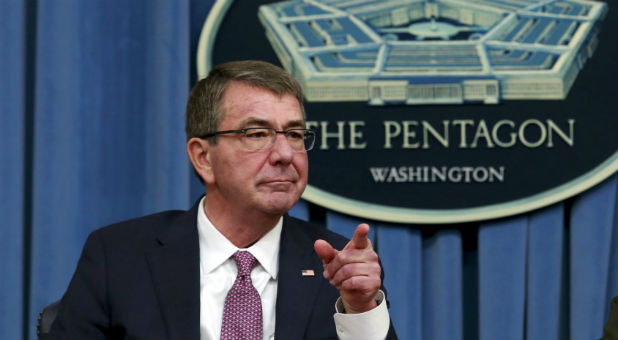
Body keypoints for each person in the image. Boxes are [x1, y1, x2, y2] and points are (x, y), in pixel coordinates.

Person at [44, 60, 396, 339]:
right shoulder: (119, 256)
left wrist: (361, 309)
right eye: (257, 133)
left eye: (294, 133)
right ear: (203, 157)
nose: (285, 154)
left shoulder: (339, 267)